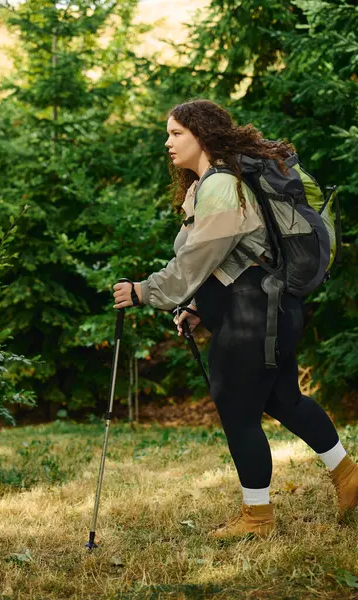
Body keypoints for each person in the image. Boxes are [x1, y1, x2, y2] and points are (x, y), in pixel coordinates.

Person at [112, 99, 358, 539]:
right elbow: (230, 260)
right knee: (284, 400)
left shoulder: (222, 186)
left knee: (238, 411)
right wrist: (193, 307)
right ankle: (348, 476)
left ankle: (257, 518)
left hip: (252, 317)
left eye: (176, 134)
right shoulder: (214, 183)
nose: (167, 143)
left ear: (201, 135)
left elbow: (196, 260)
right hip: (269, 310)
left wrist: (144, 291)